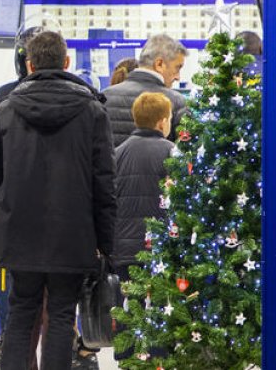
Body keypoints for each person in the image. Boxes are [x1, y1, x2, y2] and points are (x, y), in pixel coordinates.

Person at [0, 31, 116, 370]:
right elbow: (104, 180)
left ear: (28, 64)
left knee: (21, 312)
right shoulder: (92, 111)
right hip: (73, 230)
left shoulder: (6, 109)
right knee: (61, 315)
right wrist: (105, 242)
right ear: (66, 62)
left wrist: (5, 203)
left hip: (19, 229)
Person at [0, 25, 44, 365]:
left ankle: (10, 340)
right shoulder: (78, 93)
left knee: (13, 285)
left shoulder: (4, 97)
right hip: (59, 209)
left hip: (15, 206)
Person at [110, 92, 176, 362]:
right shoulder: (171, 152)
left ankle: (128, 362)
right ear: (162, 123)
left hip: (125, 249)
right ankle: (158, 361)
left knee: (127, 310)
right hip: (159, 250)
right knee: (160, 311)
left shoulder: (118, 153)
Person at [102, 34, 189, 145]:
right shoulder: (175, 101)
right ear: (159, 64)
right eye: (177, 68)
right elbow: (186, 152)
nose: (178, 77)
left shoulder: (105, 97)